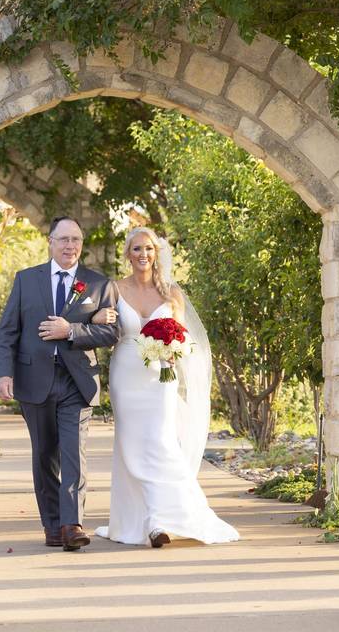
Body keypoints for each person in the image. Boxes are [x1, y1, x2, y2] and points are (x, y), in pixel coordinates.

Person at [91, 227, 239, 547]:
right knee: (130, 445)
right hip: (126, 374)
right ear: (127, 254)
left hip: (162, 375)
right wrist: (100, 318)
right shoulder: (114, 289)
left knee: (160, 441)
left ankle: (158, 521)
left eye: (148, 249)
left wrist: (172, 351)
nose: (143, 254)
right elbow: (101, 329)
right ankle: (135, 519)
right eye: (136, 249)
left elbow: (183, 335)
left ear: (156, 254)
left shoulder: (172, 293)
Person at [0, 216, 120, 551]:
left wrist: (73, 331)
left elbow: (112, 332)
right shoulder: (26, 280)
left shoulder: (97, 284)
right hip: (34, 379)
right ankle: (51, 524)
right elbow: (7, 332)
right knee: (44, 455)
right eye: (63, 239)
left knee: (73, 453)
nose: (70, 246)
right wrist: (4, 373)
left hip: (77, 380)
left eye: (76, 240)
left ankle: (71, 524)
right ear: (50, 242)